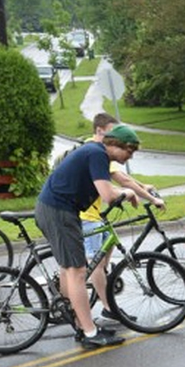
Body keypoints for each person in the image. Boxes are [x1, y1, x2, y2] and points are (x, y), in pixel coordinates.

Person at [34, 124, 140, 349]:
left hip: (56, 210)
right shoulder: (97, 154)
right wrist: (128, 193)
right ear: (116, 145)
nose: (130, 156)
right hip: (58, 212)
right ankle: (90, 333)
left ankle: (79, 323)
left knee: (69, 269)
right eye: (129, 151)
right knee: (78, 272)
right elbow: (108, 194)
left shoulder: (94, 152)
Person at [78, 113, 164, 328]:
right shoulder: (97, 152)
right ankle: (109, 309)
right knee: (95, 265)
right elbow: (121, 180)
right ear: (99, 131)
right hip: (85, 216)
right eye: (111, 132)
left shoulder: (97, 150)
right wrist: (149, 197)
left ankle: (101, 290)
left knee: (104, 259)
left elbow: (118, 183)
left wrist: (142, 188)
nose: (114, 136)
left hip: (95, 213)